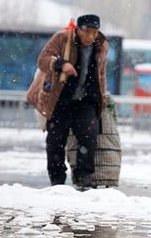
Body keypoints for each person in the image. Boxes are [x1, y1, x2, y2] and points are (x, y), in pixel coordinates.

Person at [27, 14, 108, 188]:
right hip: (60, 99)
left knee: (89, 137)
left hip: (85, 100)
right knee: (55, 141)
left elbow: (101, 74)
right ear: (78, 29)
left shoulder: (101, 45)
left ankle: (83, 176)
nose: (91, 36)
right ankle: (57, 180)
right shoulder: (62, 38)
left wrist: (102, 98)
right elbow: (43, 60)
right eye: (87, 32)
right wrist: (61, 64)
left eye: (95, 32)